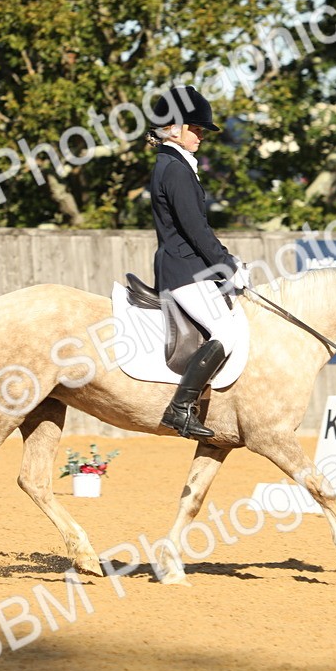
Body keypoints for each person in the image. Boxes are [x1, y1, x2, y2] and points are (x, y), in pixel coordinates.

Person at [146, 85, 250, 438]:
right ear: (174, 128)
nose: (201, 136)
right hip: (184, 270)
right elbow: (195, 228)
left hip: (188, 267)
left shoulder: (173, 163)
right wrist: (228, 264)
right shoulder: (174, 169)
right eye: (196, 129)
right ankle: (179, 408)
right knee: (227, 331)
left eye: (202, 130)